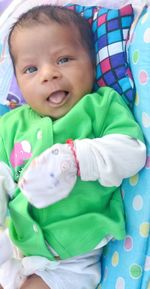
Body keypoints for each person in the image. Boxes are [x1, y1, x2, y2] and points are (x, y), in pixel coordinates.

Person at [0, 5, 146, 289]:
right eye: (31, 69)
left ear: (92, 63)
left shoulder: (100, 106)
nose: (48, 74)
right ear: (17, 81)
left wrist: (77, 158)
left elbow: (132, 151)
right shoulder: (11, 124)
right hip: (18, 245)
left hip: (74, 255)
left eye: (64, 59)